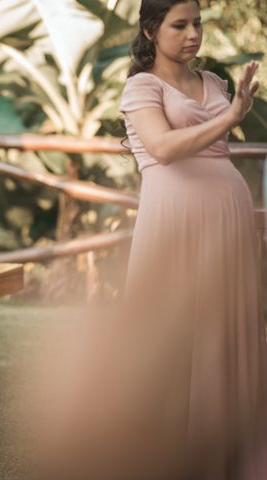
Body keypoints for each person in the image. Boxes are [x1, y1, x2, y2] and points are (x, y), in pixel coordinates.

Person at [119, 0, 267, 477]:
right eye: (179, 25)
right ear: (150, 29)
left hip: (228, 213)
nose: (192, 34)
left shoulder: (216, 84)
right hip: (174, 217)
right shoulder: (141, 86)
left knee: (226, 326)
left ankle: (227, 449)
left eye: (197, 24)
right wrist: (232, 118)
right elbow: (161, 148)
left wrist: (232, 108)